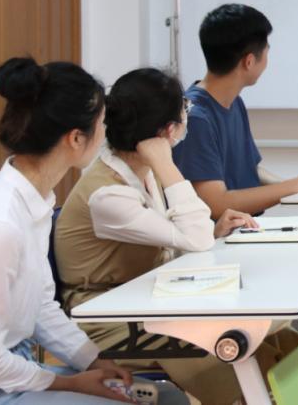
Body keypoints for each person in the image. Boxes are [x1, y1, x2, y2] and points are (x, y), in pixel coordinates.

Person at [55, 68, 258, 404]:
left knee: (254, 336)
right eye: (184, 110)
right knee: (225, 343)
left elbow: (182, 238)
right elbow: (196, 240)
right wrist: (167, 164)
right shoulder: (109, 194)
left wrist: (212, 229)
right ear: (167, 131)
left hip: (141, 298)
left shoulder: (137, 169)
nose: (187, 116)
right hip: (107, 317)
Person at [0, 57, 187, 404]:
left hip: (17, 368)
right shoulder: (3, 224)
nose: (106, 133)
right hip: (3, 381)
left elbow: (41, 307)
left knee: (167, 397)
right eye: (101, 123)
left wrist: (96, 362)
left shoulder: (35, 202)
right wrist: (69, 383)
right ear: (75, 138)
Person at [172, 4, 298, 217]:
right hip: (220, 235)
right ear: (249, 61)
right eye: (266, 52)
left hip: (246, 228)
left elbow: (249, 171)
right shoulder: (195, 118)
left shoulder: (233, 102)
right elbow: (217, 204)